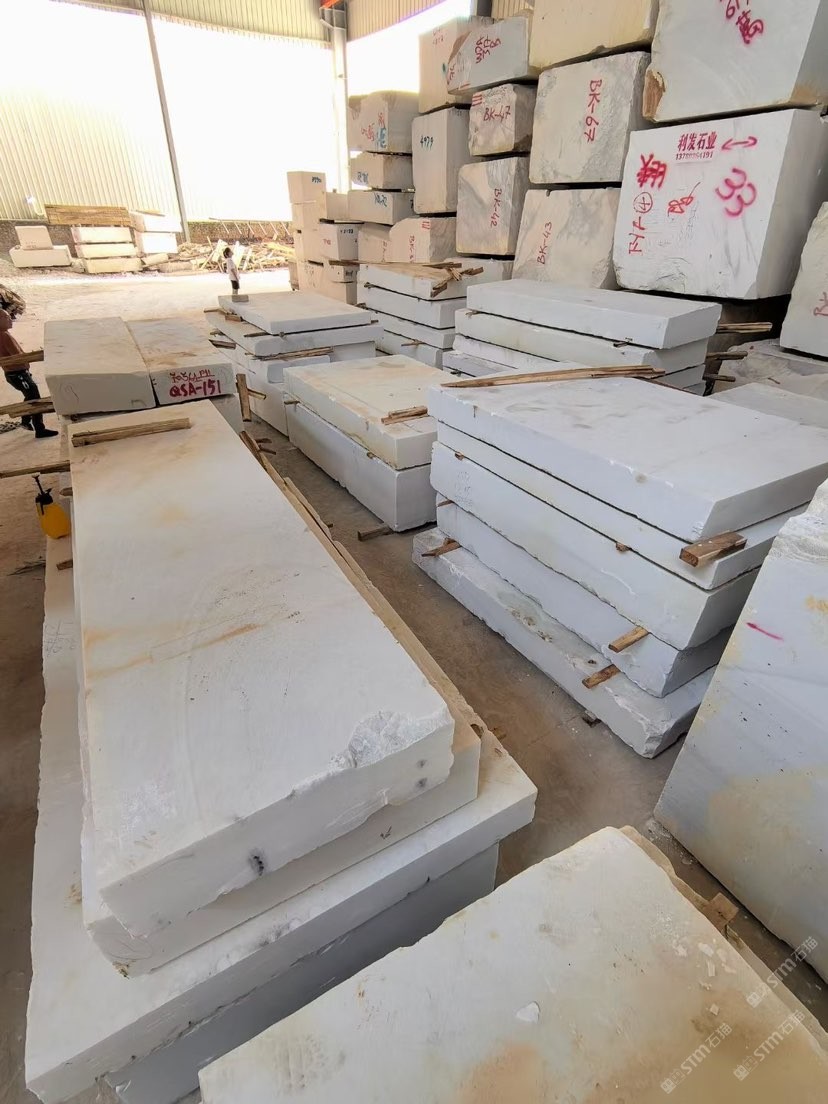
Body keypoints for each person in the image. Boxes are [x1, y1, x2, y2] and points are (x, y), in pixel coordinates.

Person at [0, 308, 57, 439]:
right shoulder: (4, 336)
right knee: (35, 399)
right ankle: (39, 429)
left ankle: (25, 421)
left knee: (30, 396)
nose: (10, 319)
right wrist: (28, 362)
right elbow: (17, 357)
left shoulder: (4, 334)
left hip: (13, 374)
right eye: (6, 317)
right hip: (18, 373)